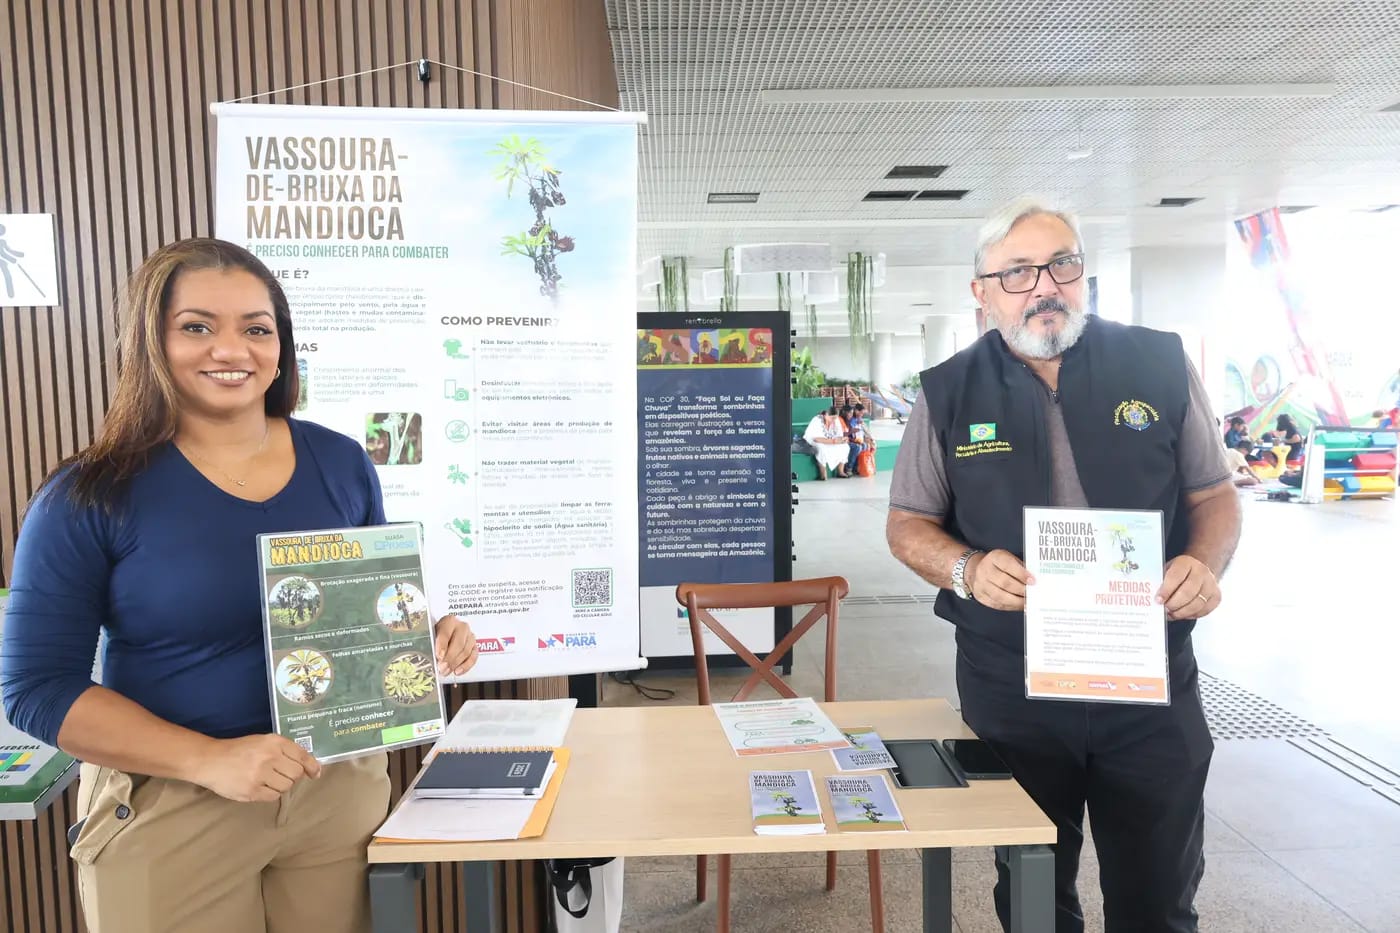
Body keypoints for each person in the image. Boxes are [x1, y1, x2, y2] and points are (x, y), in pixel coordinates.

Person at [0, 239, 480, 933]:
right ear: (151, 342)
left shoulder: (341, 463)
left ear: (281, 347)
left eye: (257, 328)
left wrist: (421, 632)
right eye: (197, 326)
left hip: (333, 789)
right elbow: (37, 689)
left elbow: (360, 607)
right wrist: (210, 760)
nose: (232, 349)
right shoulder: (89, 495)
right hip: (174, 804)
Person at [886, 197, 1241, 933]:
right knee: (1033, 896)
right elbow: (907, 523)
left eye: (1063, 264)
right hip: (1012, 687)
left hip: (1148, 679)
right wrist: (965, 569)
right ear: (981, 293)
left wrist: (1203, 565)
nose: (1045, 285)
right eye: (1017, 272)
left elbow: (1214, 494)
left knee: (1158, 898)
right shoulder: (948, 390)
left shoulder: (1158, 362)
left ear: (1085, 275)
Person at [802, 406, 850, 479]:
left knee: (845, 446)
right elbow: (816, 439)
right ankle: (823, 474)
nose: (833, 420)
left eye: (835, 418)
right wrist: (833, 441)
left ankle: (840, 471)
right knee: (821, 448)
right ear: (825, 415)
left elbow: (839, 435)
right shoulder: (817, 420)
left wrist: (843, 439)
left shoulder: (836, 420)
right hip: (815, 440)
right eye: (832, 418)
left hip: (830, 441)